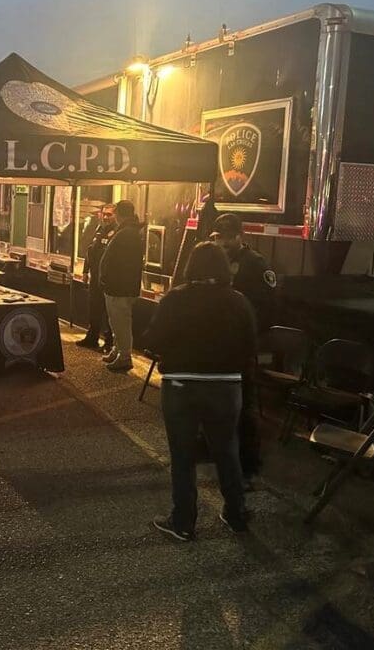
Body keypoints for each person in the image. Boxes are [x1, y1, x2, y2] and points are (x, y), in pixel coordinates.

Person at [144, 242, 257, 541]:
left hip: (181, 385)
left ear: (191, 265)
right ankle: (236, 514)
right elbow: (251, 346)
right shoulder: (238, 301)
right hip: (226, 386)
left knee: (183, 455)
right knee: (227, 450)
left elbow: (153, 340)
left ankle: (183, 521)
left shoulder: (174, 299)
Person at [211, 213, 277, 482]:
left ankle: (247, 465)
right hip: (217, 343)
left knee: (242, 405)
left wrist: (246, 334)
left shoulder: (255, 263)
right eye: (219, 237)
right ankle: (217, 450)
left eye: (229, 237)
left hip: (240, 346)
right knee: (217, 401)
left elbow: (267, 308)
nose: (223, 242)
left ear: (240, 236)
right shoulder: (214, 260)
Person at [98, 199, 144, 373]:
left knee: (120, 322)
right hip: (118, 286)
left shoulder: (127, 233)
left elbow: (119, 261)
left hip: (120, 287)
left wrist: (107, 276)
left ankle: (124, 357)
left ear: (119, 213)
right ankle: (117, 350)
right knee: (116, 321)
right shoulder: (128, 231)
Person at [76, 204, 116, 351]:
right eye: (104, 214)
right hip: (95, 277)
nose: (105, 217)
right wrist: (85, 271)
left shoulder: (117, 232)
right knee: (94, 309)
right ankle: (92, 338)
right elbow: (90, 251)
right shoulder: (99, 229)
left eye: (109, 214)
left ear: (116, 215)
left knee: (108, 312)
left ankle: (109, 342)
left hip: (107, 279)